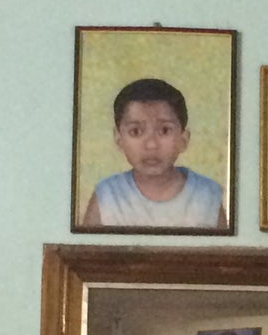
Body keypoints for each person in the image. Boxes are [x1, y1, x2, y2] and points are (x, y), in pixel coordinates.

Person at [82, 77, 227, 229]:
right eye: (136, 131)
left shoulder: (207, 196)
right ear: (119, 139)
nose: (151, 145)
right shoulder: (107, 196)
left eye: (164, 130)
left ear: (183, 139)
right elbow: (85, 252)